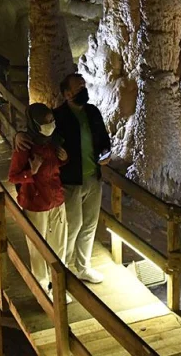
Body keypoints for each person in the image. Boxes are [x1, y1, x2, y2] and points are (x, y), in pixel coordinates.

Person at [15, 73, 111, 284]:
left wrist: (106, 152)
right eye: (78, 88)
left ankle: (83, 267)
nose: (83, 90)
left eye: (84, 85)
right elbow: (37, 133)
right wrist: (18, 136)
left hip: (93, 177)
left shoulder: (92, 112)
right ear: (67, 93)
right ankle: (64, 270)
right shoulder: (58, 116)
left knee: (89, 225)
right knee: (72, 226)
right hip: (69, 180)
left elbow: (103, 138)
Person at [8, 103, 72, 303]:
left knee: (59, 245)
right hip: (36, 203)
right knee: (38, 248)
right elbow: (13, 177)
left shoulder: (52, 142)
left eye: (51, 120)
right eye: (46, 122)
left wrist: (64, 159)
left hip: (56, 200)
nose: (50, 124)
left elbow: (53, 167)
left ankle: (58, 286)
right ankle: (43, 287)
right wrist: (31, 171)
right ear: (35, 124)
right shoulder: (25, 147)